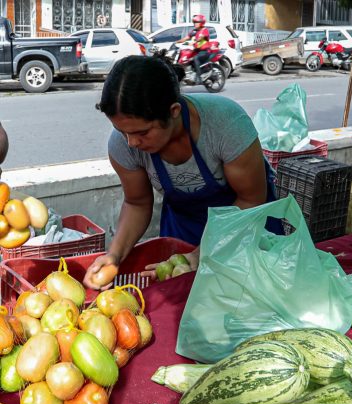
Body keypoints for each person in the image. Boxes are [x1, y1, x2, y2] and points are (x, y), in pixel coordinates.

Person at [83, 54, 281, 290]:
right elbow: (137, 203)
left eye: (143, 133)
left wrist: (204, 252)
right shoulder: (123, 145)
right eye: (121, 130)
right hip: (184, 230)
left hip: (246, 227)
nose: (132, 142)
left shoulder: (225, 125)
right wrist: (114, 255)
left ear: (174, 111)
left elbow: (251, 200)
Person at [177, 14, 210, 84]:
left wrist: (194, 41)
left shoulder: (204, 30)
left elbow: (201, 37)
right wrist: (177, 42)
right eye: (194, 22)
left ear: (201, 23)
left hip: (204, 51)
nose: (195, 24)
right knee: (187, 59)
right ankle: (189, 75)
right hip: (197, 51)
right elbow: (187, 37)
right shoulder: (194, 31)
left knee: (195, 58)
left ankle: (199, 78)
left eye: (197, 22)